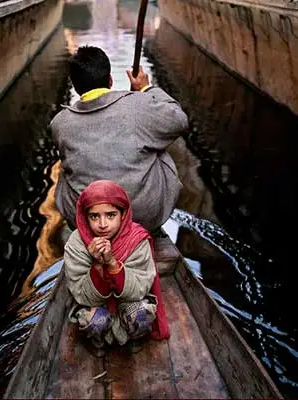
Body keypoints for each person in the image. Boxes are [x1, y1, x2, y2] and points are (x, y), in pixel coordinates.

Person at [50, 45, 189, 233]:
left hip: (87, 220)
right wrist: (145, 89)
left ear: (75, 85)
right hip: (142, 217)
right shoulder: (139, 105)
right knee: (157, 142)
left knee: (64, 169)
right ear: (110, 80)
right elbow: (179, 120)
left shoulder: (59, 124)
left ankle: (91, 225)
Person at [63, 179, 170, 357]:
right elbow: (81, 295)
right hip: (98, 306)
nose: (103, 224)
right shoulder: (76, 244)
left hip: (128, 304)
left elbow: (140, 289)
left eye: (111, 215)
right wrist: (97, 265)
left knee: (141, 314)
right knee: (93, 320)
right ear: (85, 217)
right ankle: (99, 341)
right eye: (94, 216)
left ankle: (135, 336)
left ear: (123, 214)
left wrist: (112, 263)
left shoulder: (137, 240)